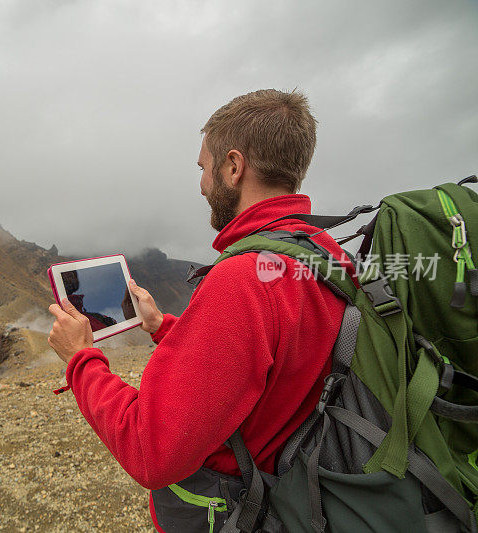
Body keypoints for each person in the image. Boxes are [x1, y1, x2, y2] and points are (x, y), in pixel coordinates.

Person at [47, 89, 356, 530]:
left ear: (233, 167)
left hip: (243, 510)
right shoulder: (324, 253)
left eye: (203, 167)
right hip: (301, 489)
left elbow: (151, 451)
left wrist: (81, 360)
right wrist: (163, 327)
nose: (201, 182)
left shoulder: (242, 280)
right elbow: (267, 354)